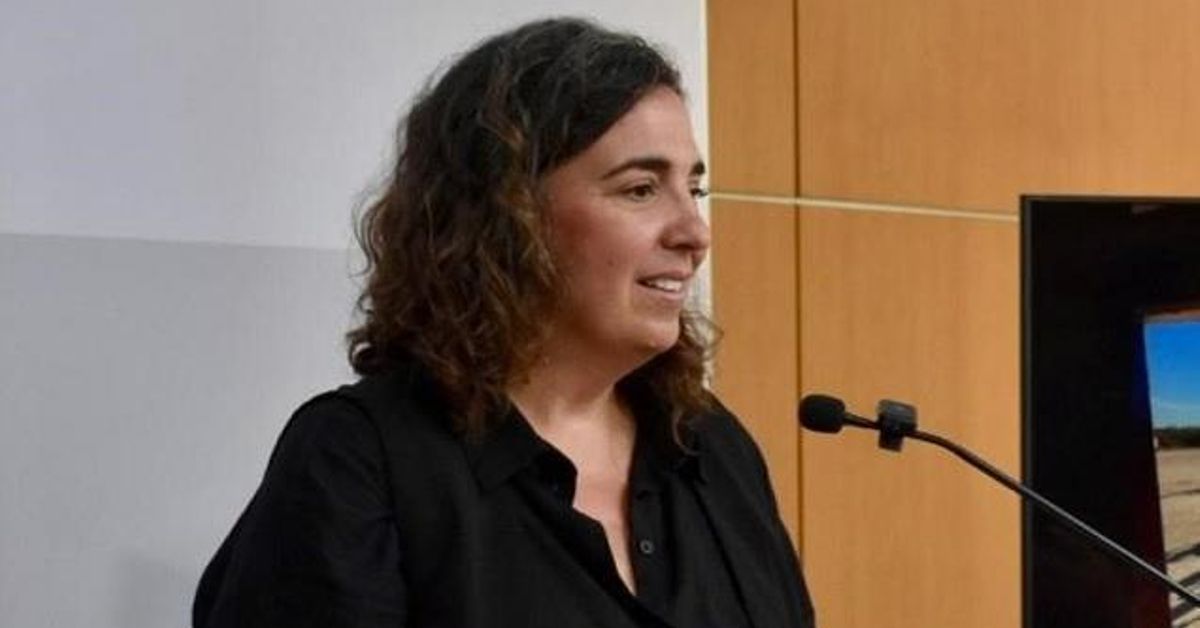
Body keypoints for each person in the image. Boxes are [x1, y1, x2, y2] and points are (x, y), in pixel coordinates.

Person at [192, 17, 815, 628]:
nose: (694, 233)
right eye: (640, 190)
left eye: (693, 191)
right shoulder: (360, 461)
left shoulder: (710, 447)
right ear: (508, 217)